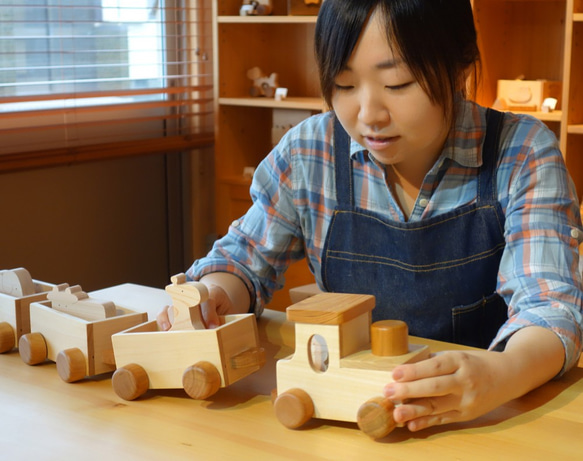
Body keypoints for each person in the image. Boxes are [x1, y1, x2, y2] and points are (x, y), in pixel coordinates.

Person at [158, 0, 583, 432]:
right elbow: (245, 261)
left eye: (398, 84)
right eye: (343, 84)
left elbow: (549, 309)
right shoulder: (311, 151)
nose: (368, 116)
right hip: (344, 411)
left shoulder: (521, 152)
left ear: (458, 69)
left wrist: (501, 373)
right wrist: (214, 294)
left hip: (485, 418)